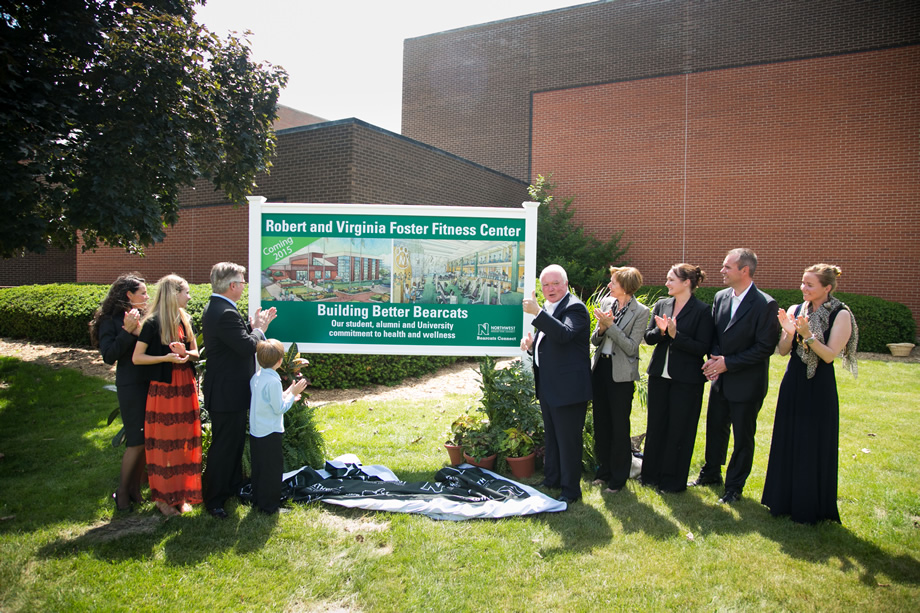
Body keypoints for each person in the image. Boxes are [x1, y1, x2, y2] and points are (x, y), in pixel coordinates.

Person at [761, 264, 858, 524]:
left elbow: (828, 356)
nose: (803, 288)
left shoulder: (841, 314)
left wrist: (807, 335)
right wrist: (790, 333)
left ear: (827, 288)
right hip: (794, 381)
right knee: (789, 438)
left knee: (813, 442)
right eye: (803, 283)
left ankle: (810, 507)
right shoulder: (795, 310)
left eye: (810, 285)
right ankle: (782, 501)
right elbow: (782, 350)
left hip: (819, 385)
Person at [695, 248, 780, 504]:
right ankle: (711, 473)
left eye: (727, 267)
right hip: (721, 381)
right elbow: (716, 334)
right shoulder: (720, 297)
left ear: (744, 271)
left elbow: (765, 348)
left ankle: (734, 486)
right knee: (715, 429)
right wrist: (715, 359)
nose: (721, 271)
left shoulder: (765, 304)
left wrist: (728, 364)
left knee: (743, 436)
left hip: (747, 383)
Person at [202, 262, 276, 519]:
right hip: (226, 393)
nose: (244, 286)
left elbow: (235, 340)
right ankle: (214, 500)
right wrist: (259, 330)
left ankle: (230, 488)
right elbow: (246, 347)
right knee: (224, 446)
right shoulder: (224, 312)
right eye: (243, 282)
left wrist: (251, 326)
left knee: (232, 444)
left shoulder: (221, 309)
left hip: (227, 391)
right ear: (232, 285)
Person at [521, 264, 592, 504]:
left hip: (569, 390)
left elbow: (564, 335)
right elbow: (552, 348)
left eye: (555, 284)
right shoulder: (551, 308)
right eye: (545, 285)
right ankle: (551, 479)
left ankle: (571, 490)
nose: (550, 289)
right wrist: (532, 349)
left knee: (568, 441)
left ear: (566, 284)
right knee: (552, 437)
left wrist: (538, 313)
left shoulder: (575, 308)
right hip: (550, 386)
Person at [132, 274, 201, 516]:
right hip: (164, 389)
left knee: (184, 442)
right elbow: (137, 357)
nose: (189, 297)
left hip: (185, 386)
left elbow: (196, 353)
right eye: (186, 292)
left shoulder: (184, 320)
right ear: (174, 294)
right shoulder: (152, 323)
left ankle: (180, 496)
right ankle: (162, 498)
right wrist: (166, 358)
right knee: (164, 445)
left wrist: (187, 353)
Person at [641, 264, 714, 493]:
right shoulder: (662, 304)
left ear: (686, 283)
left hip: (686, 380)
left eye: (671, 279)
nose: (666, 283)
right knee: (656, 426)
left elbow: (702, 347)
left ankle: (672, 481)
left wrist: (676, 335)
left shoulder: (703, 311)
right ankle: (650, 476)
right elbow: (649, 338)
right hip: (659, 377)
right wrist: (662, 332)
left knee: (679, 429)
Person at [90, 273, 150, 512]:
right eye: (143, 293)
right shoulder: (110, 320)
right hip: (131, 386)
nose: (147, 297)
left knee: (146, 441)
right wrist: (127, 332)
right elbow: (108, 356)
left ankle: (136, 489)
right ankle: (122, 491)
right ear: (129, 295)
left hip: (150, 383)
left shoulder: (146, 317)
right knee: (135, 442)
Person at [589, 266, 649, 494]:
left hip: (621, 376)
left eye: (613, 282)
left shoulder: (641, 311)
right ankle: (603, 472)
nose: (609, 286)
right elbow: (595, 340)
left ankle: (619, 477)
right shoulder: (606, 304)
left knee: (619, 427)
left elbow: (632, 347)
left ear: (625, 286)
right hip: (601, 370)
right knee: (601, 424)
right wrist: (602, 328)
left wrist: (610, 327)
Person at [249, 339, 308, 515]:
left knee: (259, 468)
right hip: (270, 432)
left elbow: (268, 400)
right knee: (272, 471)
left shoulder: (257, 377)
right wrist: (293, 396)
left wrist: (289, 392)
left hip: (257, 431)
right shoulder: (273, 381)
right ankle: (270, 507)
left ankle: (258, 501)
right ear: (280, 361)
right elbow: (279, 408)